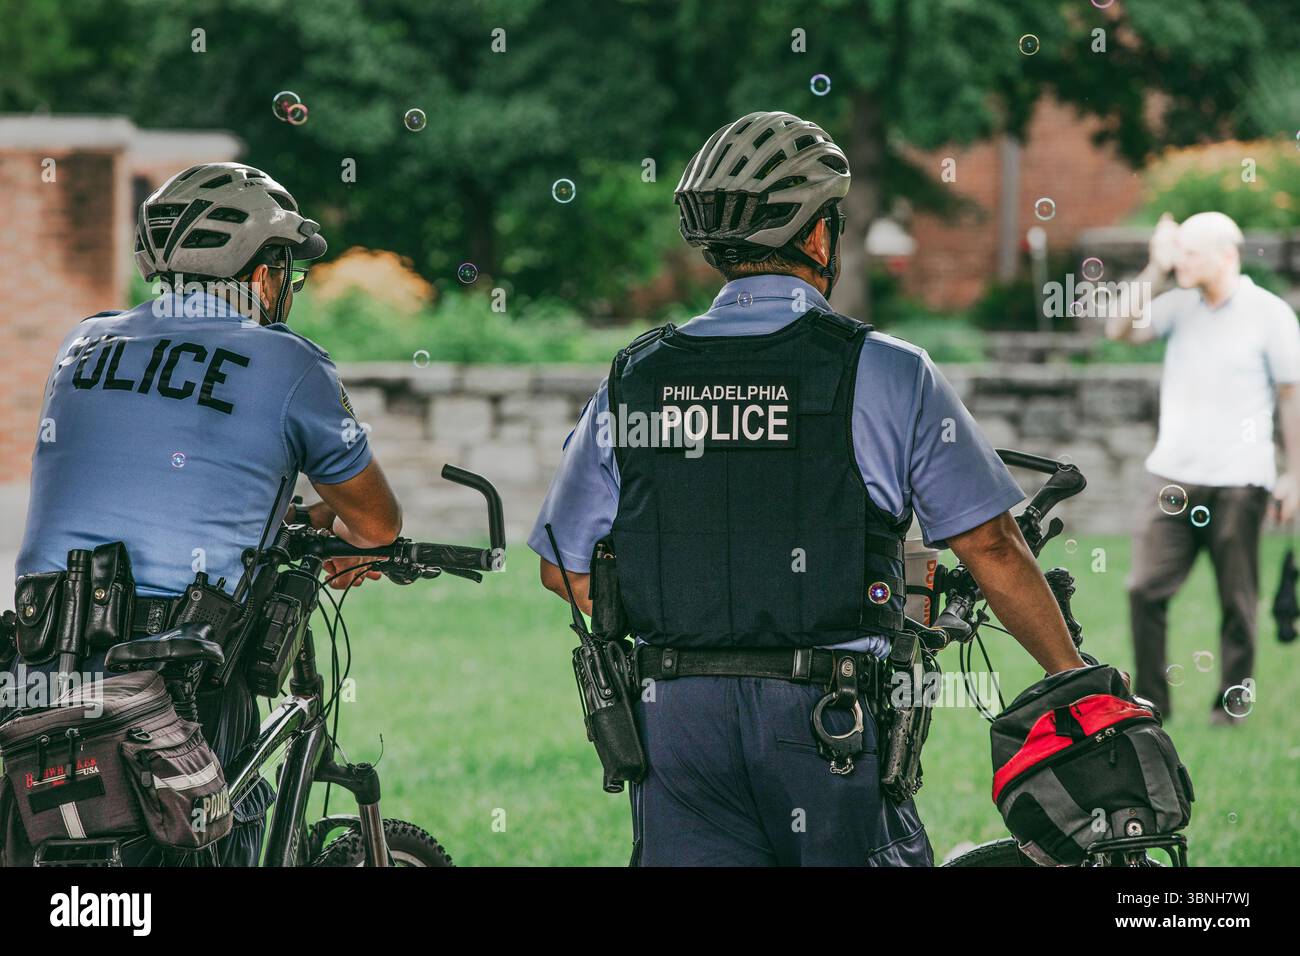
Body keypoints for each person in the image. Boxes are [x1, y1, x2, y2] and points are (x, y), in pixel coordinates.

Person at [530, 111, 1086, 866]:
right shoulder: (888, 370)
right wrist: (1070, 675)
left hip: (673, 722)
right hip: (828, 718)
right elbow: (988, 541)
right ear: (819, 236)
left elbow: (560, 564)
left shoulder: (636, 375)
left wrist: (697, 608)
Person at [6, 162, 403, 864]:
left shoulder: (83, 344)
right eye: (286, 269)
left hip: (41, 654)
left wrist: (295, 522)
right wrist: (332, 532)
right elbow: (376, 525)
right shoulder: (289, 365)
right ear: (258, 271)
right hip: (180, 667)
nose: (288, 288)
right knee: (221, 827)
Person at [1103, 211, 1300, 724]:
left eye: (1190, 252)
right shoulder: (1176, 307)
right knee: (1142, 588)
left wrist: (1294, 473)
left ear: (1226, 255)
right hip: (1172, 475)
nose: (1180, 260)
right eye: (1178, 250)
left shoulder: (1270, 313)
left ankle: (1229, 708)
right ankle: (1152, 704)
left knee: (1238, 601)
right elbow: (1117, 329)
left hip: (1241, 480)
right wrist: (1153, 266)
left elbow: (1290, 397)